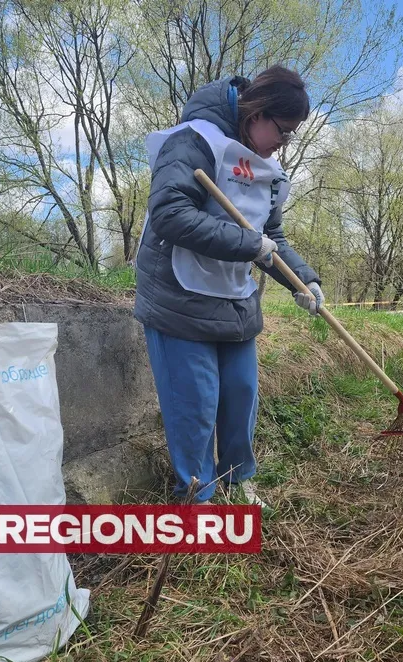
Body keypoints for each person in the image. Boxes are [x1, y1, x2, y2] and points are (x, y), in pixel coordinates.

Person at [133, 66, 324, 506]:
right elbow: (170, 213)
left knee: (240, 395)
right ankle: (196, 498)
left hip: (234, 300)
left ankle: (237, 481)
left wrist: (306, 279)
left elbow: (271, 238)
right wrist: (246, 244)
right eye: (282, 130)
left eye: (291, 135)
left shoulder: (266, 168)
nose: (283, 142)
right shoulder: (194, 139)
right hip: (179, 296)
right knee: (195, 405)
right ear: (257, 110)